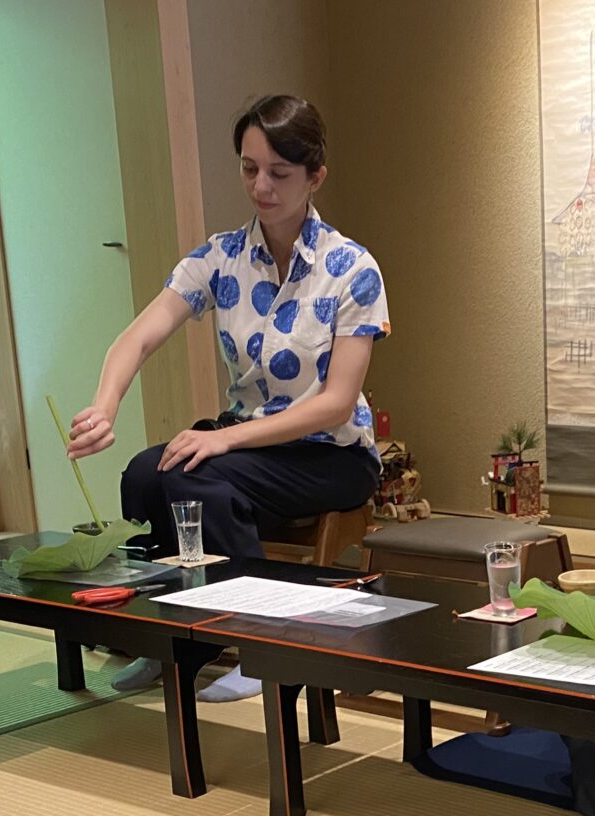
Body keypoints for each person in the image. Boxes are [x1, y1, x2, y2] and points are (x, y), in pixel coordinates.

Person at [68, 94, 387, 700]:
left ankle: (266, 641)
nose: (261, 186)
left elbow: (336, 404)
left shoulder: (351, 268)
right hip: (250, 446)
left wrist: (223, 440)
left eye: (279, 173)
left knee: (197, 478)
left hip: (331, 453)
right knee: (144, 475)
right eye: (249, 168)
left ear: (315, 177)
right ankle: (178, 638)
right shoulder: (221, 258)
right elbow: (138, 336)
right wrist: (105, 405)